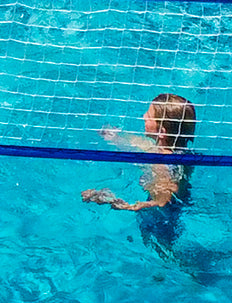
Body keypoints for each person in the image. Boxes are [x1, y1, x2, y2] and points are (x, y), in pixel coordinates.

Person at [80, 93, 196, 256]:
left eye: (148, 116)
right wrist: (115, 138)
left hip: (160, 222)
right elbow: (141, 144)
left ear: (161, 132)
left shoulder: (161, 165)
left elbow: (163, 200)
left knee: (162, 255)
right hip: (177, 207)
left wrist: (113, 200)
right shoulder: (180, 152)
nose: (143, 117)